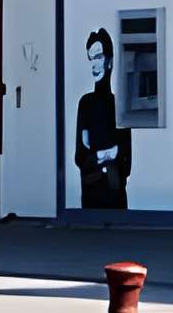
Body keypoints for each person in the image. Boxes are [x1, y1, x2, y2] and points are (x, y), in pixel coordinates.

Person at [73, 27, 130, 210]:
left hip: (115, 194)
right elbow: (81, 155)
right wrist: (108, 154)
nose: (94, 65)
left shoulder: (119, 104)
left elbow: (126, 160)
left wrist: (98, 155)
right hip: (92, 192)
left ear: (110, 61)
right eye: (91, 59)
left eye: (98, 57)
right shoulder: (86, 104)